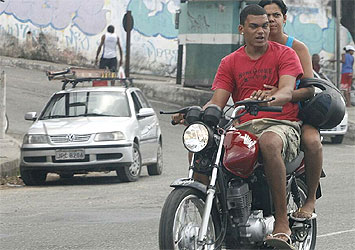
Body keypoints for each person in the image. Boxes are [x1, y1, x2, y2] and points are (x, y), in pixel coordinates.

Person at [173, 4, 302, 249]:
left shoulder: (285, 54)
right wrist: (196, 113)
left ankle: (282, 223)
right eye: (254, 26)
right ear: (242, 29)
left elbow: (287, 89)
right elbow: (217, 102)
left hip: (282, 122)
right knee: (204, 146)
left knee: (269, 142)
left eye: (265, 26)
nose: (262, 31)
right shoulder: (230, 62)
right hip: (244, 125)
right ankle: (216, 216)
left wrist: (271, 98)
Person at [258, 0, 322, 227]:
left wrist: (284, 94)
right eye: (267, 16)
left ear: (285, 18)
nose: (272, 20)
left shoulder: (297, 48)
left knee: (311, 141)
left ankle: (310, 200)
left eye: (276, 15)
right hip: (260, 116)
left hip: (297, 114)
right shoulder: (252, 46)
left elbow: (309, 88)